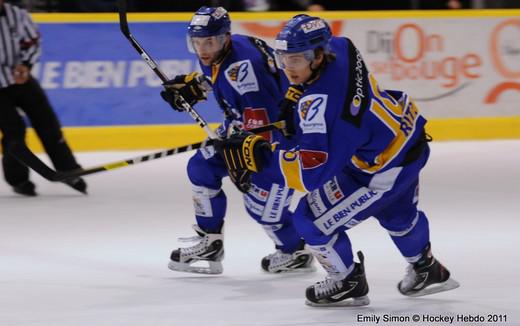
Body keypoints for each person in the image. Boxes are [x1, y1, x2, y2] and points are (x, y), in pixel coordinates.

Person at [215, 14, 459, 306]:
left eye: (297, 60)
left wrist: (262, 159)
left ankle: (346, 281)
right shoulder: (342, 48)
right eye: (284, 58)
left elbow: (310, 176)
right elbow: (323, 99)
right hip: (405, 140)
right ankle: (428, 269)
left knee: (310, 219)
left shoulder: (324, 110)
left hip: (379, 169)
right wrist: (296, 101)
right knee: (398, 215)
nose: (288, 68)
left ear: (318, 55)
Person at [159, 6, 313, 274]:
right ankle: (210, 241)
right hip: (242, 130)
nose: (203, 49)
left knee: (263, 210)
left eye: (210, 42)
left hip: (276, 142)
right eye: (198, 43)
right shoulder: (224, 50)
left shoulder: (246, 70)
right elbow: (218, 76)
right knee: (201, 167)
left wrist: (242, 160)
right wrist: (196, 85)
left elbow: (266, 121)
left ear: (225, 37)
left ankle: (294, 252)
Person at [0, 0, 87, 196]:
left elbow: (32, 41)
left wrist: (25, 64)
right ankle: (19, 180)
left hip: (20, 78)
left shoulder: (17, 15)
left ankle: (68, 170)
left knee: (47, 122)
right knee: (14, 131)